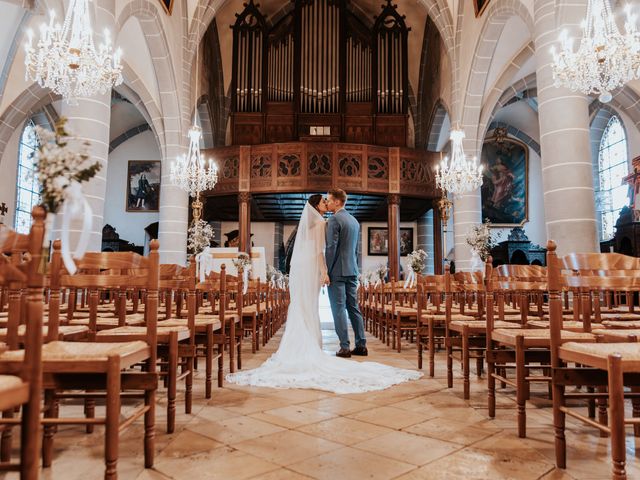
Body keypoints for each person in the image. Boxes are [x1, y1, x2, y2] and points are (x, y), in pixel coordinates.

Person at [226, 193, 421, 394]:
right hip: (351, 270)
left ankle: (344, 346)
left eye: (328, 199)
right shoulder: (352, 220)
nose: (326, 202)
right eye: (323, 201)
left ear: (336, 201)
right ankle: (361, 344)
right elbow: (350, 250)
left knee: (335, 307)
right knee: (352, 307)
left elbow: (329, 248)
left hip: (328, 270)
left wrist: (326, 271)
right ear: (318, 206)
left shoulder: (329, 221)